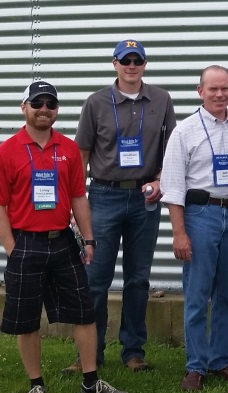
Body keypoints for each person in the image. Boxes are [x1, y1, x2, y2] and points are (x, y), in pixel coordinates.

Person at [0, 81, 128, 393]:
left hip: (63, 242)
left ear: (57, 109)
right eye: (38, 103)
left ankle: (90, 382)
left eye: (51, 104)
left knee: (84, 311)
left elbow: (79, 197)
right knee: (27, 318)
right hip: (26, 245)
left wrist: (88, 239)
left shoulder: (68, 149)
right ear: (24, 107)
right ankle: (36, 385)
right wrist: (12, 249)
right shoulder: (6, 151)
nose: (44, 109)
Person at [64, 39, 176, 374]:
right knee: (95, 278)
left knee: (138, 279)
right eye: (125, 60)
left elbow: (172, 151)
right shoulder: (96, 103)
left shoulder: (161, 99)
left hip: (144, 199)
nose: (131, 66)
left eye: (137, 60)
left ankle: (133, 351)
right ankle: (91, 353)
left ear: (144, 64)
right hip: (104, 196)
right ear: (114, 63)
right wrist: (75, 201)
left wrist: (159, 180)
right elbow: (80, 154)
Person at [159, 65, 228, 391]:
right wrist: (179, 233)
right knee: (197, 294)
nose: (219, 94)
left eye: (225, 89)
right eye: (213, 89)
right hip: (201, 216)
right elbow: (174, 189)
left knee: (227, 294)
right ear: (200, 91)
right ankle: (196, 366)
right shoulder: (185, 132)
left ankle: (220, 359)